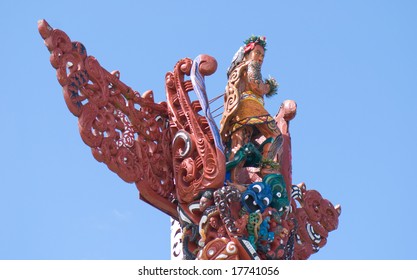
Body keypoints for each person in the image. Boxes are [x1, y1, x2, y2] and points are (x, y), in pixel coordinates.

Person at [220, 36, 282, 183]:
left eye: (262, 55)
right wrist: (268, 87)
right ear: (247, 54)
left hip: (239, 111)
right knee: (275, 134)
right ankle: (267, 168)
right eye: (257, 53)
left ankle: (232, 181)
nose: (260, 58)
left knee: (239, 145)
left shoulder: (240, 69)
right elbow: (256, 85)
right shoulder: (251, 65)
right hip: (250, 107)